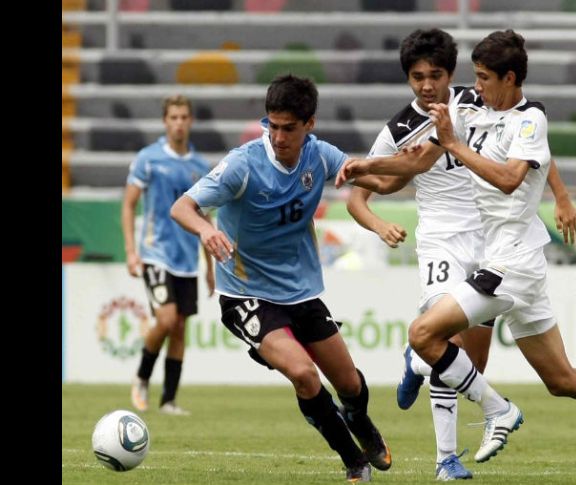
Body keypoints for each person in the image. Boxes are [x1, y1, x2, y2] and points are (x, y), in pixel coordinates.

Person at [337, 30, 576, 483]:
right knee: (562, 379)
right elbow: (416, 164)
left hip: (512, 265)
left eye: (484, 78)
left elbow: (509, 179)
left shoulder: (531, 119)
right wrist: (364, 166)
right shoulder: (473, 111)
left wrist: (456, 146)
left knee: (424, 334)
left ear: (510, 78)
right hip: (510, 261)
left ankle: (497, 410)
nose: (476, 86)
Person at [345, 28, 576, 481]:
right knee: (443, 343)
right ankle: (446, 460)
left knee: (465, 365)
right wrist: (379, 222)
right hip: (440, 241)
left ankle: (416, 360)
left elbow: (531, 153)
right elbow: (364, 196)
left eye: (435, 75)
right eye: (417, 77)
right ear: (408, 79)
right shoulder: (398, 128)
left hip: (490, 241)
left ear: (449, 74)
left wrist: (562, 196)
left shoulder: (474, 102)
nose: (427, 85)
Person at [170, 74, 393, 483]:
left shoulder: (320, 156)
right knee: (304, 374)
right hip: (245, 293)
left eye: (288, 127)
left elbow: (378, 180)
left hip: (300, 291)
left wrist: (409, 164)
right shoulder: (243, 163)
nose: (277, 136)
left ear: (309, 124)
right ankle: (353, 461)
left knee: (348, 381)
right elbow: (183, 206)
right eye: (271, 125)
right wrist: (205, 229)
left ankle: (359, 420)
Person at [122, 94, 215, 416]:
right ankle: (142, 377)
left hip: (188, 258)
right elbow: (129, 203)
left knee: (179, 328)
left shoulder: (200, 166)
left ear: (190, 121)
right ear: (165, 121)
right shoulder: (148, 159)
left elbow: (204, 217)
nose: (178, 123)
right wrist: (132, 251)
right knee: (165, 318)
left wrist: (209, 264)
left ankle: (168, 400)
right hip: (155, 253)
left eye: (183, 117)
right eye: (173, 117)